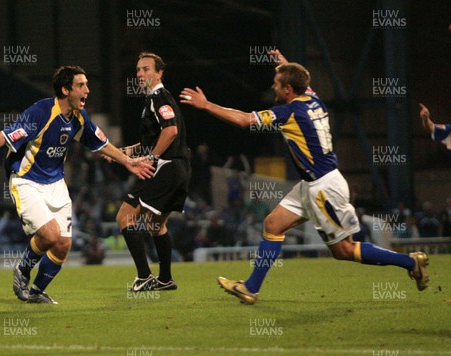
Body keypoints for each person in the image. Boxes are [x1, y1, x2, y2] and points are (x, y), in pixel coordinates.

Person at [180, 50, 429, 305]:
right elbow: (303, 83)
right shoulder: (313, 99)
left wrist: (206, 105)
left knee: (344, 250)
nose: (273, 87)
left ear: (288, 89)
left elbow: (245, 120)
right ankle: (250, 288)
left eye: (277, 84)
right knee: (273, 225)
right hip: (312, 184)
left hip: (324, 189)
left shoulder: (288, 113)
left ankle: (411, 262)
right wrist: (284, 63)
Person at [0, 66, 154, 304]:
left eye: (87, 85)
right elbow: (6, 135)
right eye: (81, 86)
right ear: (65, 89)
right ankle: (22, 271)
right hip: (26, 181)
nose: (87, 91)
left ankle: (37, 292)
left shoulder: (79, 117)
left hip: (56, 183)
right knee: (50, 235)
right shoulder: (41, 112)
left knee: (63, 246)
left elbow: (102, 144)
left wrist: (128, 162)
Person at [114, 52, 191, 291]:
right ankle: (165, 279)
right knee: (155, 224)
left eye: (146, 69)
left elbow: (171, 132)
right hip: (179, 168)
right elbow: (158, 136)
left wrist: (151, 158)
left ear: (159, 73)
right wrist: (125, 151)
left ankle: (145, 276)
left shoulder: (159, 98)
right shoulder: (153, 100)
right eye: (138, 70)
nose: (140, 74)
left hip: (165, 168)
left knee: (124, 217)